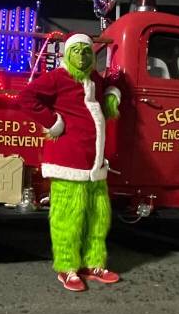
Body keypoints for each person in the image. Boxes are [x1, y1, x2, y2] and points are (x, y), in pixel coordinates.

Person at [17, 32, 122, 291]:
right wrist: (53, 122)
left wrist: (113, 93)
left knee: (98, 216)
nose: (82, 56)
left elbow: (106, 85)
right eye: (76, 50)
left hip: (94, 164)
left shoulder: (92, 78)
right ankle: (66, 267)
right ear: (66, 53)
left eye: (86, 51)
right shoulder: (58, 77)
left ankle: (92, 263)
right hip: (68, 162)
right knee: (68, 216)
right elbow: (26, 98)